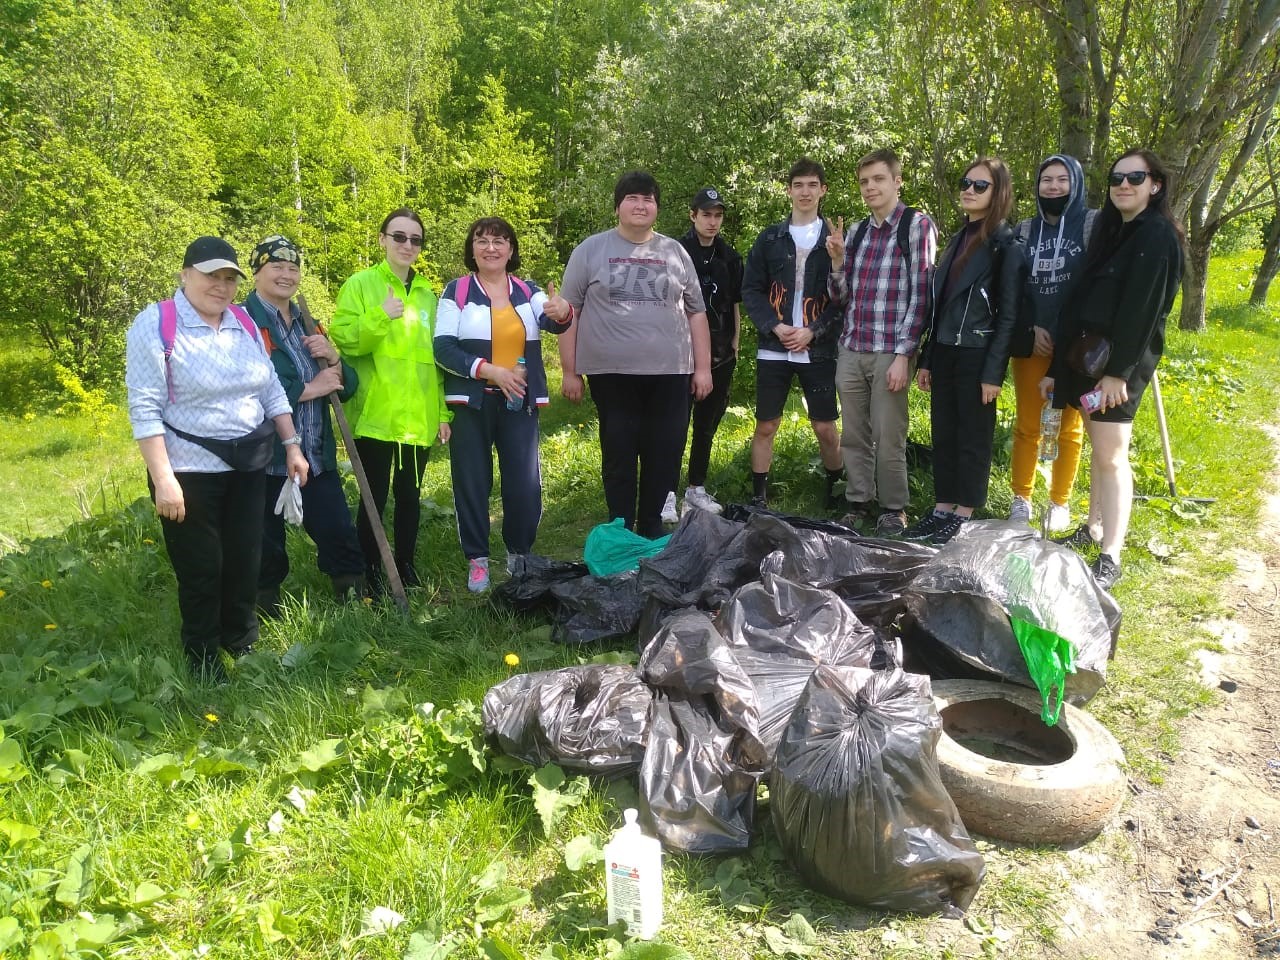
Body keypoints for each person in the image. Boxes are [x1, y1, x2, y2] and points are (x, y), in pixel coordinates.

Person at [125, 237, 309, 683]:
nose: (221, 286)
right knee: (202, 567)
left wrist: (292, 444)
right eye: (211, 275)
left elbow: (269, 388)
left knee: (246, 557)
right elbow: (145, 408)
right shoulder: (156, 326)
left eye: (229, 278)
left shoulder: (243, 321)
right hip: (188, 470)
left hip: (247, 464)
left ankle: (241, 641)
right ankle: (203, 658)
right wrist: (163, 479)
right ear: (185, 274)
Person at [1043, 149, 1185, 590]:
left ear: (1154, 185)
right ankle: (1094, 526)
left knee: (1111, 454)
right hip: (1089, 359)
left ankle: (1111, 555)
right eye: (1117, 178)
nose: (1123, 184)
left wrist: (1118, 374)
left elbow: (1143, 312)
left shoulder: (1156, 235)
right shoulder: (1113, 231)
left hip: (1116, 367)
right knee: (1098, 447)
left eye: (1135, 177)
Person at [551, 170, 712, 538]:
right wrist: (569, 370)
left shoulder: (675, 251)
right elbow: (567, 311)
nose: (641, 205)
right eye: (633, 198)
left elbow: (696, 311)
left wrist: (703, 368)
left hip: (671, 372)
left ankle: (653, 525)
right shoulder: (590, 250)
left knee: (666, 449)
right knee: (620, 450)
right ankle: (621, 525)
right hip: (612, 373)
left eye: (649, 199)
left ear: (657, 207)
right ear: (618, 206)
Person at [435, 217, 572, 593]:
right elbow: (442, 347)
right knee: (472, 482)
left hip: (519, 403)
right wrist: (490, 371)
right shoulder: (457, 290)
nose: (491, 247)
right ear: (472, 249)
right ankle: (478, 560)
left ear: (511, 250)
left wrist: (563, 311)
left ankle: (519, 555)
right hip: (472, 403)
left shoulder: (527, 290)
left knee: (524, 484)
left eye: (499, 241)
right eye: (482, 241)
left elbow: (554, 319)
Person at [241, 236, 365, 612]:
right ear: (257, 271)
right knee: (264, 541)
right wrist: (312, 388)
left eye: (293, 268)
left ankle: (354, 599)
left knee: (337, 530)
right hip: (266, 456)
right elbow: (251, 384)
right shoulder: (244, 323)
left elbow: (348, 387)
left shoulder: (310, 324)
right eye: (276, 266)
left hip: (314, 452)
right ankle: (265, 608)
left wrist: (334, 358)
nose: (286, 274)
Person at [330, 208, 451, 591]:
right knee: (374, 498)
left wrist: (443, 412)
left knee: (410, 498)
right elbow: (345, 338)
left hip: (418, 417)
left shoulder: (429, 296)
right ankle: (370, 572)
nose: (407, 245)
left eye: (415, 239)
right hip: (376, 416)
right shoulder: (361, 284)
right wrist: (381, 316)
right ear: (382, 239)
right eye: (399, 237)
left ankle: (406, 565)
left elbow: (437, 360)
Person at [907, 157, 1022, 545]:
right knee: (944, 433)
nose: (969, 190)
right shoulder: (957, 238)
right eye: (966, 183)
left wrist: (993, 373)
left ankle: (964, 514)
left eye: (979, 186)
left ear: (998, 192)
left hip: (978, 352)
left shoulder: (1005, 243)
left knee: (973, 436)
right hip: (945, 352)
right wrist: (927, 358)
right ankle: (942, 508)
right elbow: (939, 305)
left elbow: (1008, 314)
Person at [826, 148, 938, 536]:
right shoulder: (856, 232)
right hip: (853, 347)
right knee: (854, 434)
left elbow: (921, 295)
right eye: (864, 181)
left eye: (878, 179)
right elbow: (842, 298)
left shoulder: (916, 226)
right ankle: (858, 500)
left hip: (891, 349)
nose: (870, 187)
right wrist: (838, 261)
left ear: (896, 181)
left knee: (889, 434)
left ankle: (893, 508)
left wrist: (905, 354)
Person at [741, 158, 844, 510]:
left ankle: (836, 492)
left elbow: (842, 300)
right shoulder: (770, 238)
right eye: (798, 184)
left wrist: (812, 331)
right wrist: (776, 325)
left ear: (822, 190)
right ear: (788, 190)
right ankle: (759, 496)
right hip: (775, 346)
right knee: (766, 424)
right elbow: (751, 290)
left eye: (812, 185)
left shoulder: (834, 242)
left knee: (825, 427)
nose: (805, 191)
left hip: (818, 349)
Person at [1008, 154, 1097, 531]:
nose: (1054, 187)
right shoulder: (1025, 230)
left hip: (1076, 346)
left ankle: (1060, 501)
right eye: (1047, 180)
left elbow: (1100, 284)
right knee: (1029, 422)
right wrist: (1030, 329)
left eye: (1062, 179)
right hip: (1035, 344)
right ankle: (1021, 498)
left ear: (1075, 184)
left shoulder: (1092, 225)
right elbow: (1012, 289)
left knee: (1069, 426)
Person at [676, 187, 743, 515]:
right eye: (706, 214)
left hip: (720, 354)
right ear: (693, 215)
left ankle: (695, 489)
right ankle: (663, 495)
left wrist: (735, 342)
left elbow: (734, 304)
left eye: (718, 215)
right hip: (679, 356)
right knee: (673, 426)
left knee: (706, 425)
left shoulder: (730, 257)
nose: (712, 221)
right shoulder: (675, 252)